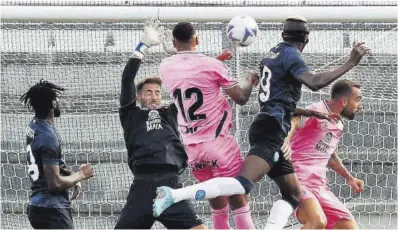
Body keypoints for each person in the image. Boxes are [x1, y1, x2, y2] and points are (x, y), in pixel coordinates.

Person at [153, 16, 370, 230]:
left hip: (251, 131)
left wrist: (312, 115)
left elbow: (278, 102)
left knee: (293, 195)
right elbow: (314, 83)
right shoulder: (292, 55)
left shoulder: (272, 54)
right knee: (241, 186)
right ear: (306, 39)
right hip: (266, 131)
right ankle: (174, 194)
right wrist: (351, 61)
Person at [157, 21, 258, 229]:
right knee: (237, 196)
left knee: (215, 199)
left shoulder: (165, 67)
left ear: (174, 43)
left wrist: (217, 61)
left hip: (193, 148)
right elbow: (240, 97)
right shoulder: (212, 66)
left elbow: (191, 76)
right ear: (197, 39)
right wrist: (248, 80)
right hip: (218, 141)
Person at [113, 18, 209, 229]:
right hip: (143, 185)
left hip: (170, 184)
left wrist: (178, 57)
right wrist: (143, 45)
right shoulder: (131, 115)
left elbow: (188, 84)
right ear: (138, 97)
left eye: (157, 92)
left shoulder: (171, 113)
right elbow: (127, 79)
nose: (154, 96)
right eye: (148, 92)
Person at [285, 79, 365, 229]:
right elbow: (294, 120)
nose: (360, 106)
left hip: (320, 185)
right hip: (298, 180)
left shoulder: (338, 123)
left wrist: (350, 178)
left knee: (348, 226)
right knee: (317, 222)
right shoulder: (317, 109)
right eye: (358, 100)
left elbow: (330, 155)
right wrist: (285, 140)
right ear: (343, 101)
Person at [21, 80, 94, 229]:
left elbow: (44, 160)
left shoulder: (34, 125)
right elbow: (54, 184)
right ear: (53, 104)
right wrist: (81, 175)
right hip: (51, 209)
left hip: (38, 206)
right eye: (57, 99)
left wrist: (70, 176)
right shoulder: (48, 137)